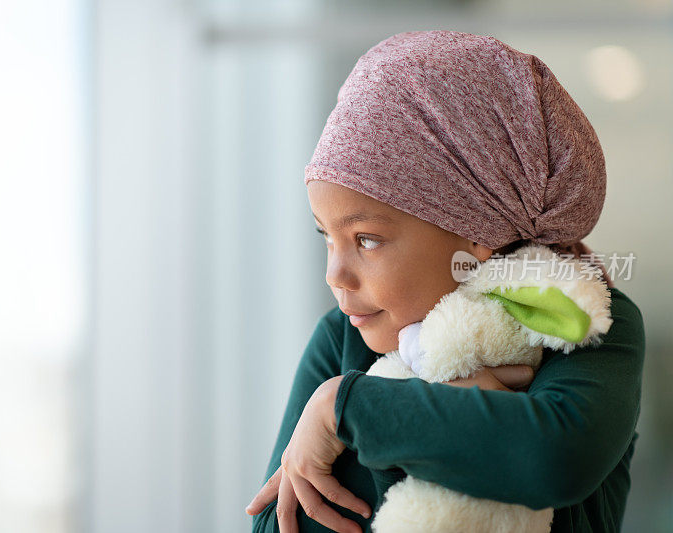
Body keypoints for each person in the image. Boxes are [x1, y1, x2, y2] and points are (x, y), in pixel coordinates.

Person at [245, 30, 645, 533]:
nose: (335, 275)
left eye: (366, 239)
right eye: (326, 237)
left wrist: (346, 409)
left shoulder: (585, 319)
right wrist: (463, 418)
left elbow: (554, 459)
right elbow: (274, 521)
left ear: (478, 230)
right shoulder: (341, 336)